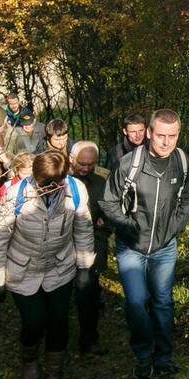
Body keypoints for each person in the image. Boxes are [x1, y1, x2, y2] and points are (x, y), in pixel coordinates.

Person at [0, 150, 95, 379]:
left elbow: (83, 230)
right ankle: (29, 361)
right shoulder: (16, 194)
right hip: (23, 269)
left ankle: (54, 373)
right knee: (34, 321)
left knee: (58, 321)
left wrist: (85, 267)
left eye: (54, 184)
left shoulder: (75, 191)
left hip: (60, 267)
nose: (48, 189)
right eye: (44, 184)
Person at [99, 108, 189, 379]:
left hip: (165, 247)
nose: (167, 142)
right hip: (131, 246)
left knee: (163, 302)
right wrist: (128, 226)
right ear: (149, 134)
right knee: (136, 302)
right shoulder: (130, 163)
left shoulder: (183, 163)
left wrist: (174, 227)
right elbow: (108, 201)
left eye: (173, 136)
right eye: (161, 135)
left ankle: (163, 358)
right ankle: (143, 356)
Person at [69, 141, 111, 355]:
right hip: (63, 247)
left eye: (90, 164)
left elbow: (110, 213)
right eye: (81, 164)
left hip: (91, 246)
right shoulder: (60, 181)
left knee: (88, 294)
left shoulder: (100, 183)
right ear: (71, 160)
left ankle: (89, 339)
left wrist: (104, 226)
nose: (85, 168)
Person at [0, 151, 35, 216]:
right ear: (16, 170)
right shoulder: (7, 186)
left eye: (31, 173)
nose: (28, 176)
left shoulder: (37, 185)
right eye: (24, 174)